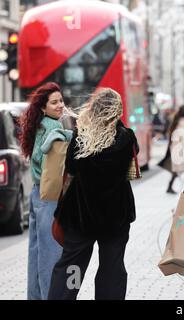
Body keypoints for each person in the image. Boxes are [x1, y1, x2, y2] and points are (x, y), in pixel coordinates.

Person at [47, 88, 138, 300]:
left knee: (73, 267)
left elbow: (70, 166)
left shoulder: (81, 136)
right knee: (111, 268)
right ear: (117, 112)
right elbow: (133, 156)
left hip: (81, 214)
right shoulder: (126, 138)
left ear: (94, 109)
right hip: (115, 216)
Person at [19, 82, 72, 300]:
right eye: (54, 102)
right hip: (49, 196)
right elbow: (46, 152)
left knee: (36, 253)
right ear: (43, 107)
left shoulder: (39, 124)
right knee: (51, 254)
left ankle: (35, 296)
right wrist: (69, 135)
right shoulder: (52, 128)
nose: (60, 105)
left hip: (36, 194)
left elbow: (37, 157)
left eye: (61, 101)